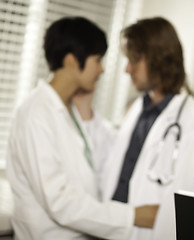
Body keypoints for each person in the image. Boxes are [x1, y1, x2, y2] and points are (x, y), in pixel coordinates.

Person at [6, 16, 157, 240]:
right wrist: (132, 216)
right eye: (97, 60)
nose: (102, 70)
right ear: (71, 61)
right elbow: (60, 202)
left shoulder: (68, 110)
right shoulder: (36, 114)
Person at [82, 17, 194, 240]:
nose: (127, 69)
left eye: (134, 60)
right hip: (112, 229)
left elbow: (187, 211)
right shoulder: (137, 108)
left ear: (158, 58)